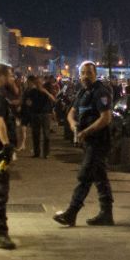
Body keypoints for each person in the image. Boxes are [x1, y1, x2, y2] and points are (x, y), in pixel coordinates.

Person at [53, 61, 114, 227]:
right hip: (87, 141)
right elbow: (71, 113)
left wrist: (86, 132)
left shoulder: (101, 91)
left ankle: (71, 213)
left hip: (98, 141)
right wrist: (73, 125)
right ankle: (106, 214)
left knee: (85, 175)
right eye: (83, 73)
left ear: (95, 74)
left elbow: (106, 118)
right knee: (100, 177)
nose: (85, 76)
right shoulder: (82, 92)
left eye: (89, 73)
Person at [0, 63, 17, 249]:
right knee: (0, 190)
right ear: (1, 76)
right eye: (11, 75)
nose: (13, 79)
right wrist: (6, 146)